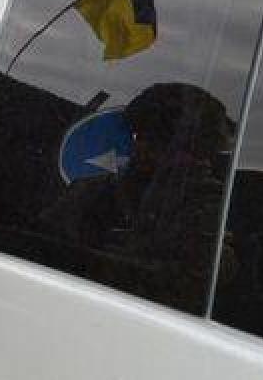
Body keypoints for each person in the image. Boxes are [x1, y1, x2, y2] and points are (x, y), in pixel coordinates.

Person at [41, 82, 235, 314]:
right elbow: (44, 249)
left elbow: (199, 285)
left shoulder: (210, 211)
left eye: (203, 156)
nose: (140, 147)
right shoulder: (94, 194)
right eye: (141, 137)